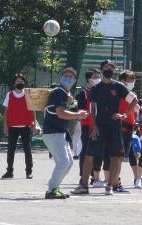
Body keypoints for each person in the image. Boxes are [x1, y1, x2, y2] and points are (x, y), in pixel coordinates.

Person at [71, 60, 138, 195]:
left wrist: (124, 114)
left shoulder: (119, 86)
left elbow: (134, 100)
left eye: (111, 68)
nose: (109, 69)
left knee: (115, 157)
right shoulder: (96, 88)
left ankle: (110, 186)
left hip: (114, 126)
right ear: (101, 70)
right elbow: (92, 108)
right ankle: (84, 185)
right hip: (99, 126)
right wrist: (94, 125)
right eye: (107, 67)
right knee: (90, 155)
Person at [43, 67, 88, 199]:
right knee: (63, 162)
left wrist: (72, 103)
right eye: (65, 76)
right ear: (61, 77)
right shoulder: (59, 92)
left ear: (74, 80)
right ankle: (52, 190)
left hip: (59, 133)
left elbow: (66, 108)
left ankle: (54, 188)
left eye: (71, 77)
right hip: (53, 132)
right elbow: (61, 113)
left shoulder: (64, 93)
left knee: (67, 163)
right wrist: (78, 114)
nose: (68, 78)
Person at [2, 74, 38, 179]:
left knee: (27, 149)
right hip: (12, 126)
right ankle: (9, 171)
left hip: (26, 126)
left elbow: (33, 110)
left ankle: (29, 172)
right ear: (14, 83)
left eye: (21, 81)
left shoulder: (28, 94)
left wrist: (35, 125)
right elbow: (6, 111)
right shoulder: (9, 95)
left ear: (24, 82)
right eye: (17, 81)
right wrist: (5, 125)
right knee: (10, 149)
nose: (19, 83)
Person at [76, 69, 105, 187]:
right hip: (87, 125)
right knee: (86, 151)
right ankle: (83, 176)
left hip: (99, 125)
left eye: (99, 76)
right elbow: (80, 110)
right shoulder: (84, 93)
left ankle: (95, 176)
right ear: (89, 79)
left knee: (99, 152)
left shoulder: (101, 92)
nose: (98, 78)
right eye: (95, 77)